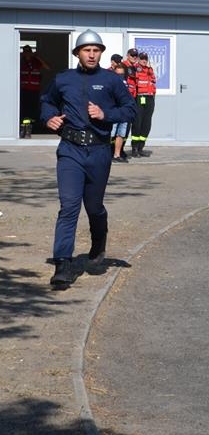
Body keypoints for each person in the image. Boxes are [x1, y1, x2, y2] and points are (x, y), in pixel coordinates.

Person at [40, 30, 136, 288]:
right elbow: (47, 102)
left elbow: (130, 109)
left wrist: (106, 114)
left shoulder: (111, 80)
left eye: (96, 50)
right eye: (87, 50)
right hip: (70, 150)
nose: (92, 54)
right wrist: (49, 117)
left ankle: (98, 242)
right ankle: (62, 264)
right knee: (69, 206)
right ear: (77, 53)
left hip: (98, 152)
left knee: (93, 207)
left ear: (101, 53)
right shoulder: (63, 79)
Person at [129, 51, 156, 157]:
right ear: (139, 59)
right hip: (140, 97)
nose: (144, 60)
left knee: (147, 124)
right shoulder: (135, 68)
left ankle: (141, 148)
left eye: (146, 59)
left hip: (150, 98)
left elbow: (153, 83)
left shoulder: (150, 70)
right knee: (137, 123)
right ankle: (134, 148)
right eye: (142, 58)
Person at [19, 44, 49, 136]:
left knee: (34, 110)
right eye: (25, 52)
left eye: (29, 52)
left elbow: (47, 67)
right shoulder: (20, 62)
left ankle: (34, 129)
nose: (27, 54)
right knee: (24, 110)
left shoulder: (36, 62)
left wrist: (37, 57)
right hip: (24, 91)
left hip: (35, 91)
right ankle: (23, 129)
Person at [109, 63, 134, 162]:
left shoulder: (128, 82)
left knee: (121, 134)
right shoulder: (111, 82)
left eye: (122, 74)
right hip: (114, 110)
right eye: (118, 74)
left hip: (124, 111)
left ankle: (117, 155)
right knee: (111, 134)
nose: (120, 76)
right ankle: (107, 154)